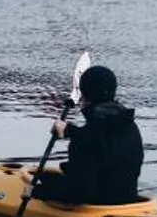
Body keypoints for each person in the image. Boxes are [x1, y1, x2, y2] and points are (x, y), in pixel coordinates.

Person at [36, 64, 144, 206]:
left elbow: (80, 194)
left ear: (84, 95)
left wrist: (37, 192)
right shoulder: (129, 125)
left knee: (41, 184)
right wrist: (70, 131)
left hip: (100, 205)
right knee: (46, 176)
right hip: (127, 197)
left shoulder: (85, 140)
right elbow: (99, 138)